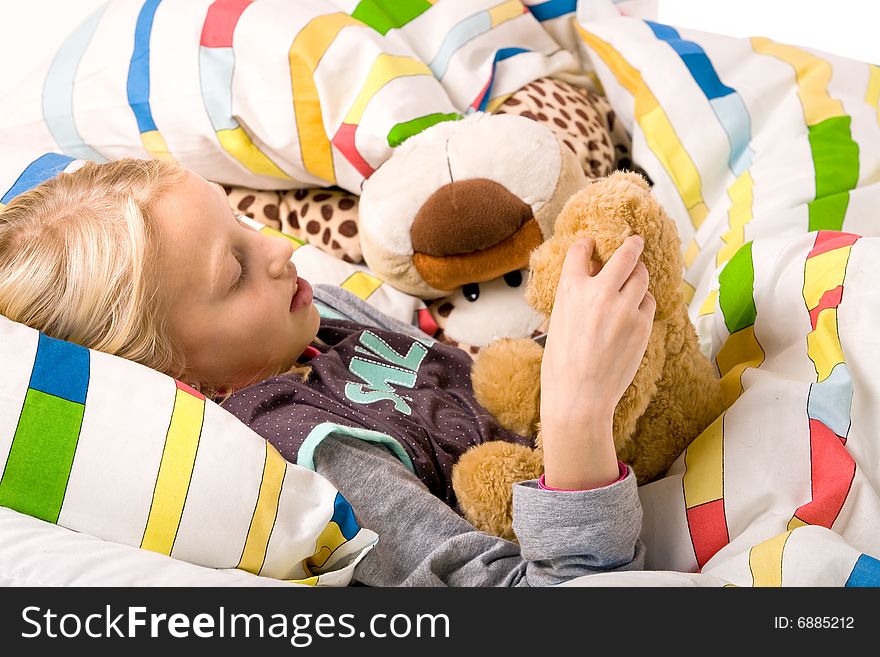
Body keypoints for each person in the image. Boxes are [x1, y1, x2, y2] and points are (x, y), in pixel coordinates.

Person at [0, 157, 655, 586]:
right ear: (185, 381)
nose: (282, 251)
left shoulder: (309, 315)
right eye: (234, 270)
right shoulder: (312, 455)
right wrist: (578, 414)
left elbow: (461, 371)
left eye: (243, 223)